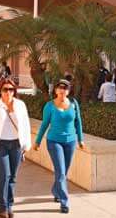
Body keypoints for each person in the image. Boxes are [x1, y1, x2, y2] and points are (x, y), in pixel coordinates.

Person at [0, 79, 31, 218]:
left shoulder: (20, 105)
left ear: (14, 91)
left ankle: (10, 205)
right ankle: (2, 208)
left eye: (11, 89)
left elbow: (25, 125)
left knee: (13, 177)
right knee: (5, 174)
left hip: (16, 145)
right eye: (5, 89)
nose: (8, 92)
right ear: (0, 91)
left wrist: (26, 145)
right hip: (0, 145)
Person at [34, 79, 84, 214]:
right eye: (60, 87)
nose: (62, 90)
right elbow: (45, 124)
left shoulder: (74, 104)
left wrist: (81, 139)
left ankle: (56, 190)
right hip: (54, 141)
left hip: (71, 142)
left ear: (68, 91)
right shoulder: (49, 106)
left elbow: (78, 122)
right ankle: (64, 201)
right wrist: (37, 141)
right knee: (61, 171)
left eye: (65, 88)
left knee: (64, 171)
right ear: (55, 90)